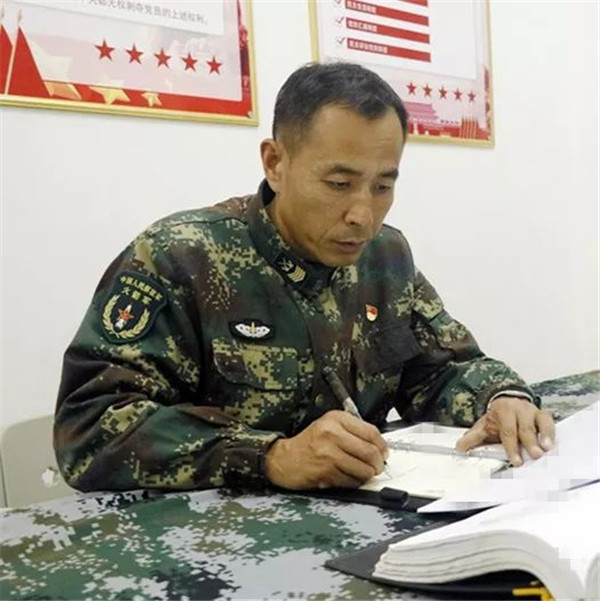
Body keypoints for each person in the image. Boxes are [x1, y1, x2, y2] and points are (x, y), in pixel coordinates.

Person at [54, 62, 555, 492]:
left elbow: (440, 370)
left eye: (383, 186)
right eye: (339, 183)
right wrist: (270, 457)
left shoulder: (384, 256)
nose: (362, 215)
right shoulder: (180, 258)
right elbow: (89, 430)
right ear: (275, 163)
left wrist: (500, 397)